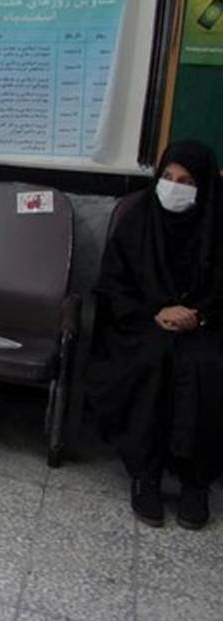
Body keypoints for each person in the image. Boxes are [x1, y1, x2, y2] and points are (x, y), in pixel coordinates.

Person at [87, 140, 222, 530]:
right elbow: (112, 286)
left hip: (204, 327)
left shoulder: (217, 228)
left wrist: (199, 316)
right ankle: (145, 473)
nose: (173, 187)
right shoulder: (139, 220)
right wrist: (155, 312)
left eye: (186, 182)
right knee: (152, 360)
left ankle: (195, 481)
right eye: (167, 176)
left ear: (205, 188)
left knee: (203, 366)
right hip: (142, 323)